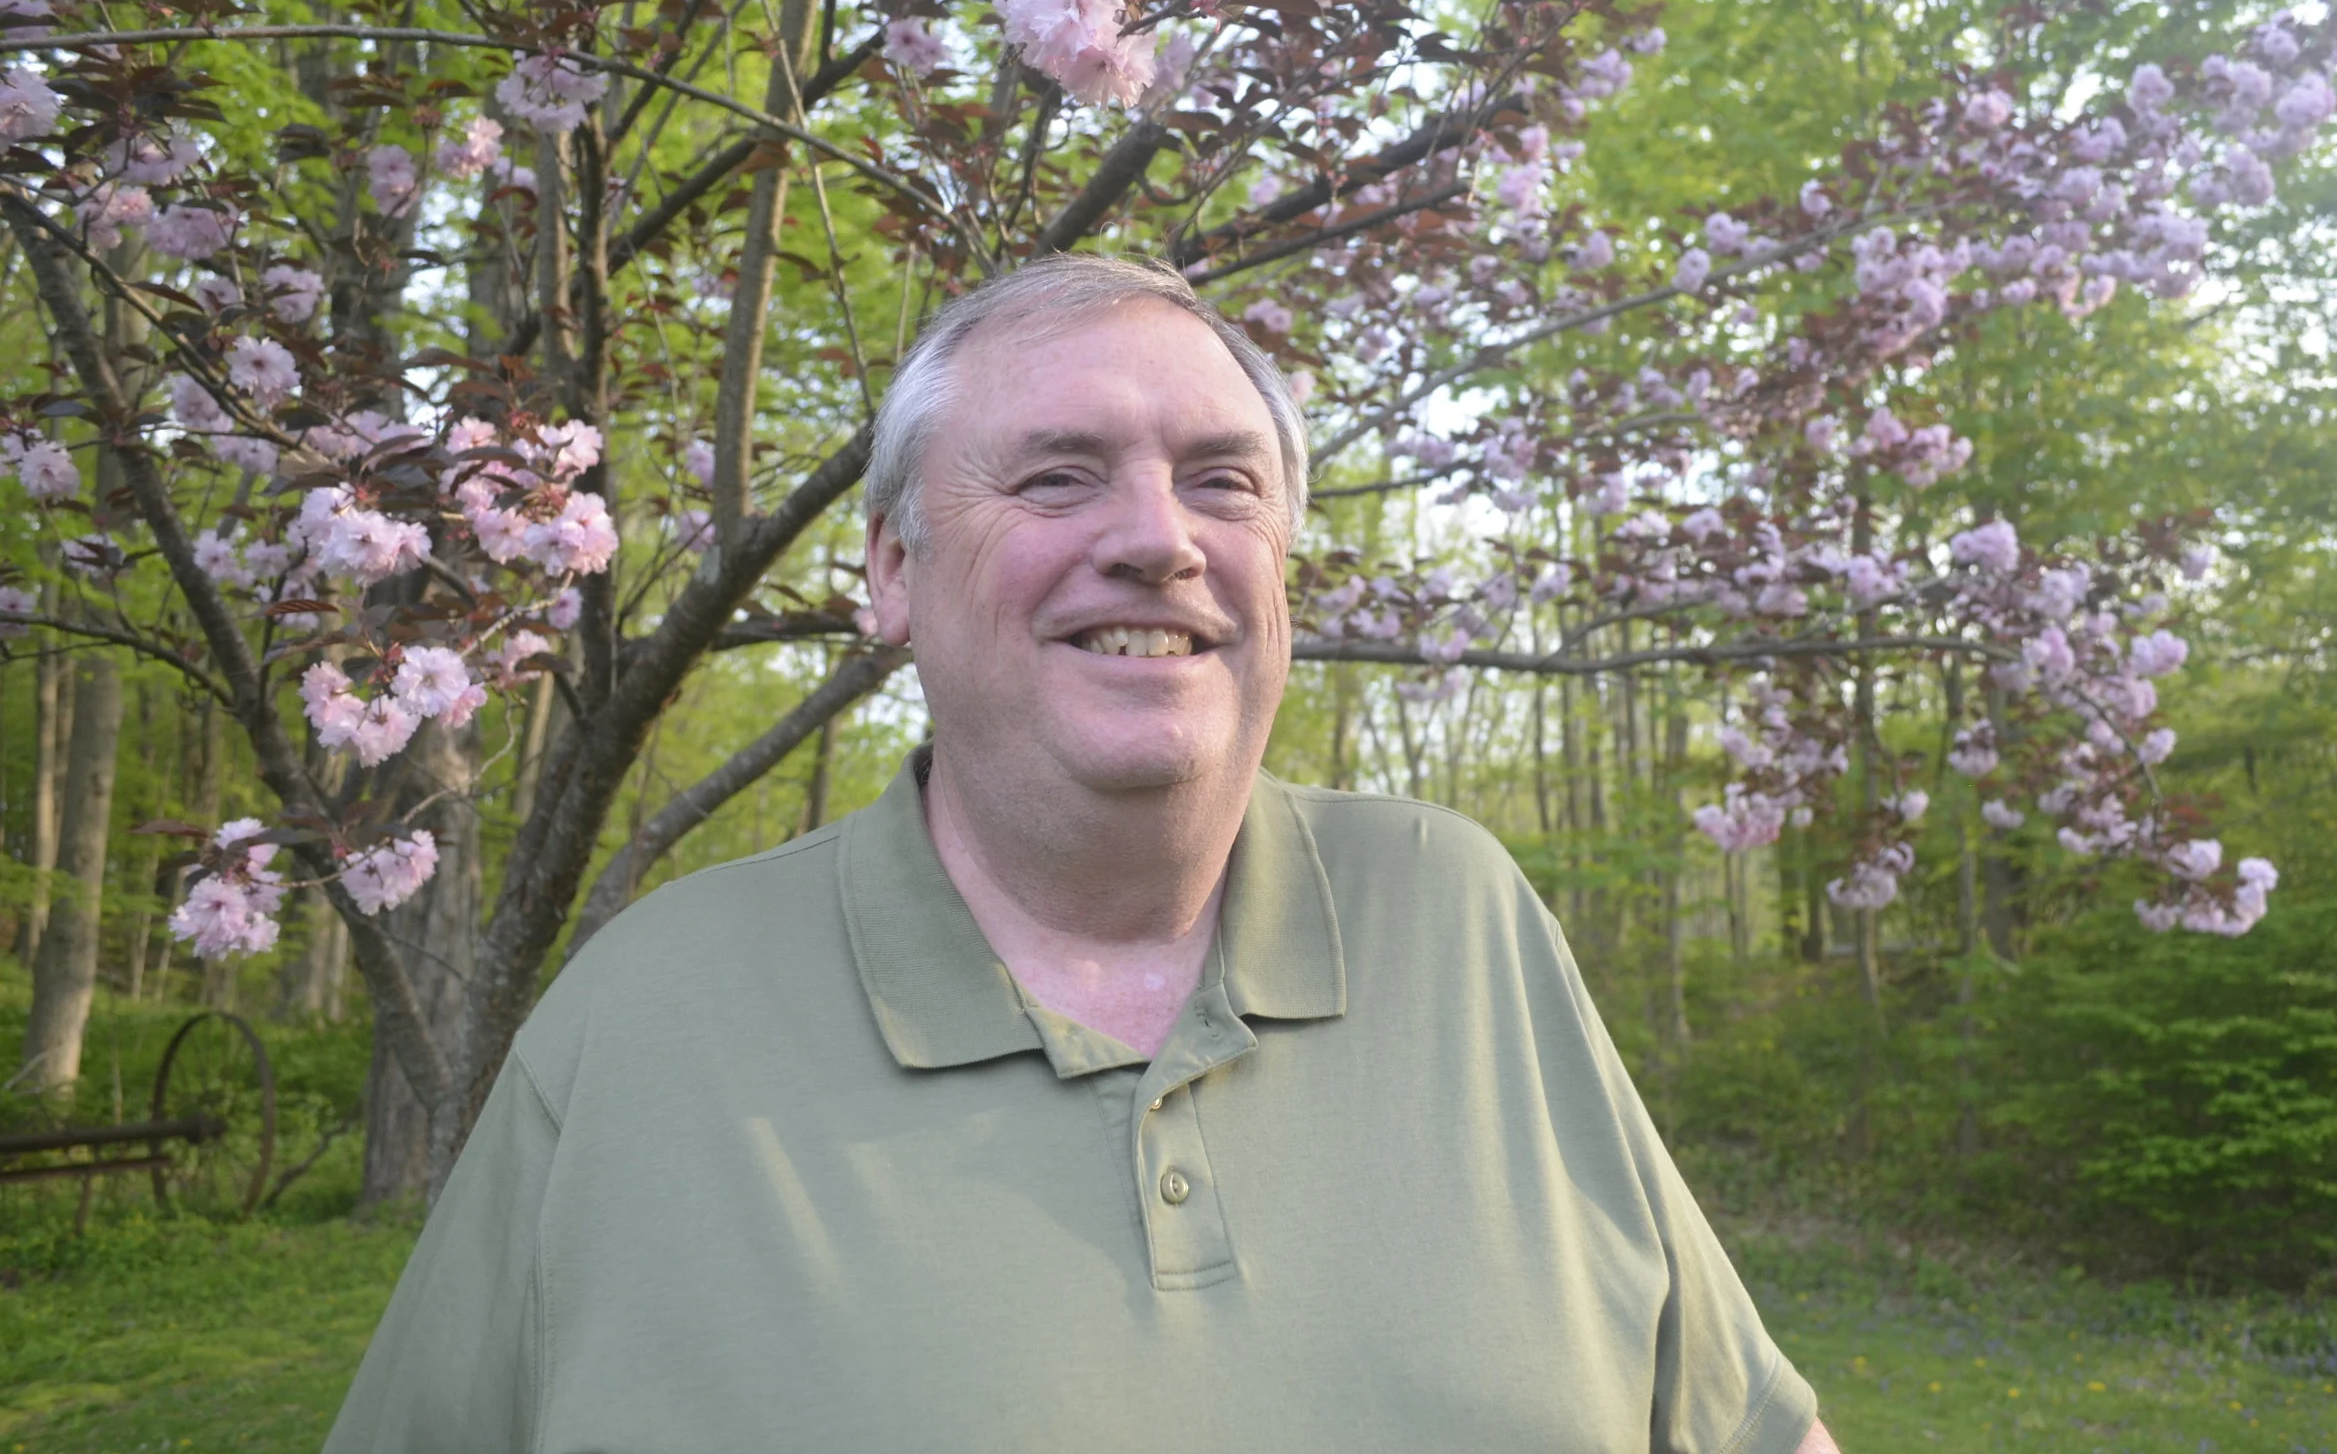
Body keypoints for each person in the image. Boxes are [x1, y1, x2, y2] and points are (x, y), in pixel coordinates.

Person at [327, 254, 1838, 1453]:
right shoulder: (645, 1019)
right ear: (893, 570)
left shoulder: (1462, 916)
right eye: (1057, 475)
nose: (1159, 540)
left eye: (1223, 481)